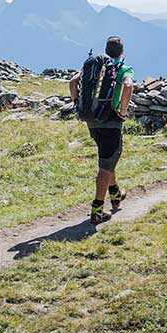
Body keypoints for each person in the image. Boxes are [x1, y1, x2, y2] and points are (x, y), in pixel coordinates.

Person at [70, 35, 134, 224]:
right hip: (111, 121)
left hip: (92, 120)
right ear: (122, 52)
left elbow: (73, 82)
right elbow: (128, 86)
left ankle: (115, 193)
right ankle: (97, 209)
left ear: (106, 50)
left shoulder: (95, 67)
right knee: (105, 166)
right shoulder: (122, 68)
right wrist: (122, 111)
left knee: (107, 159)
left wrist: (77, 104)